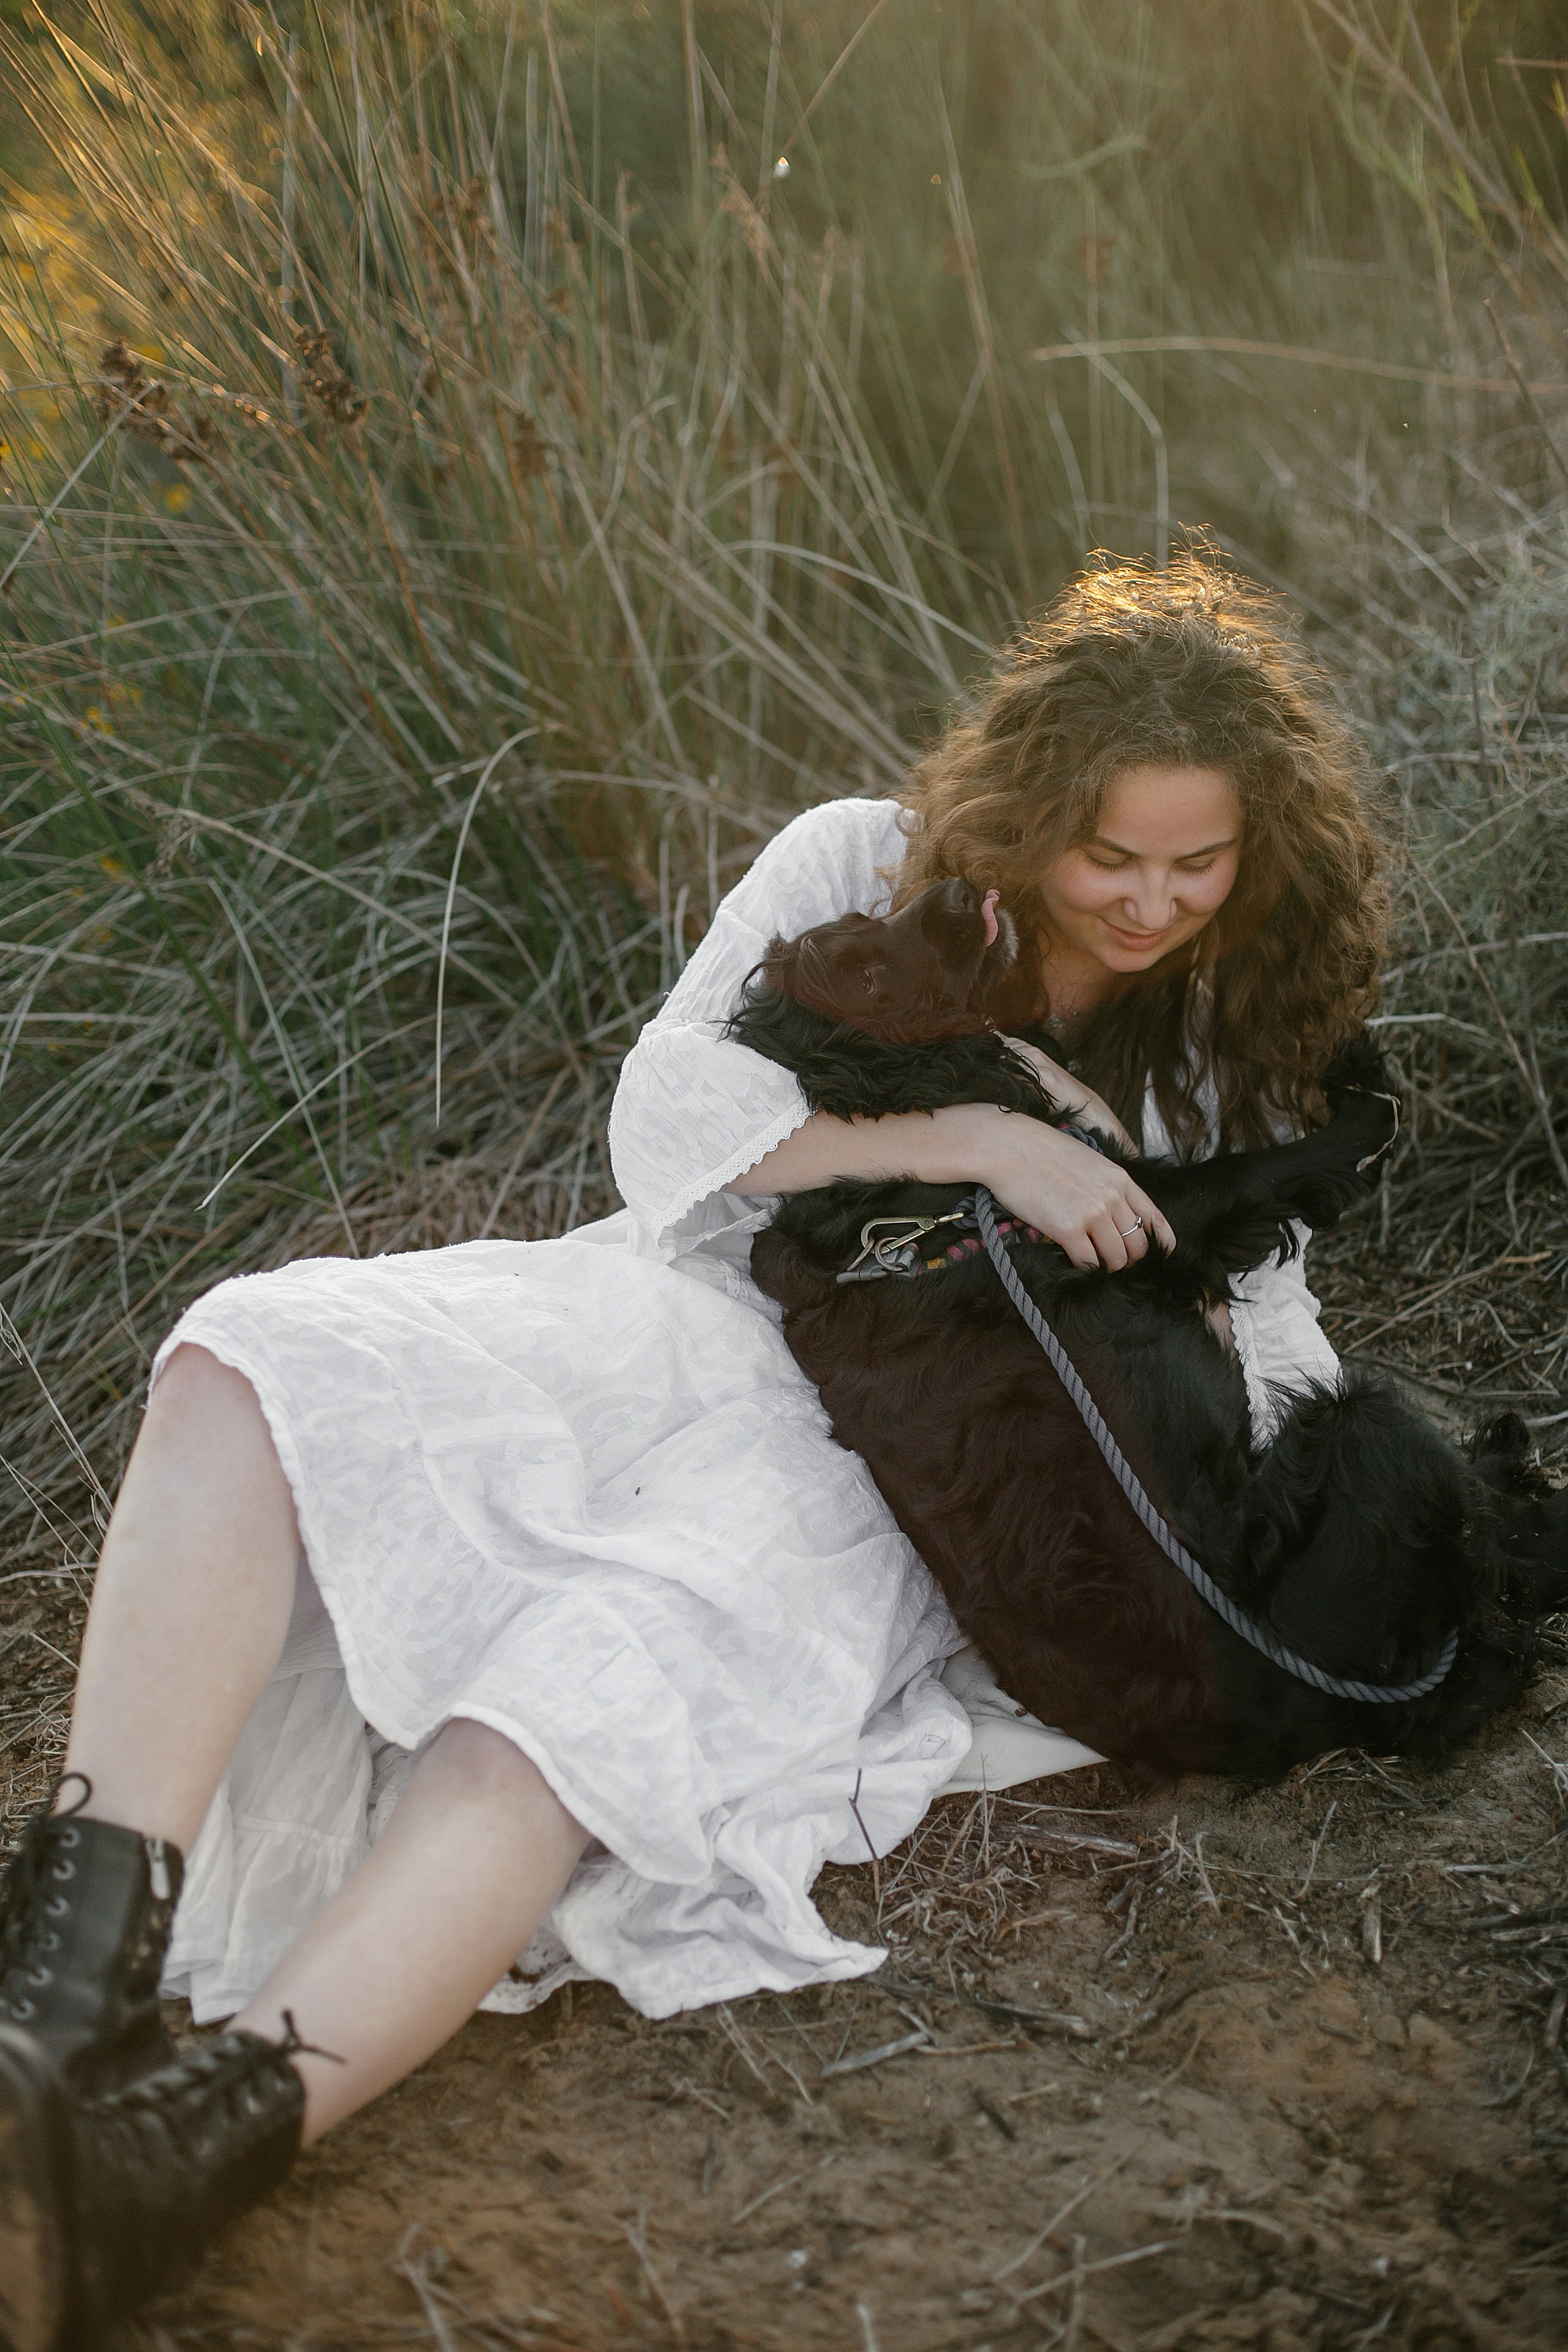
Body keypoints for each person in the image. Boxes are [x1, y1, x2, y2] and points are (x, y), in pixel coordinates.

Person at [0, 553, 1385, 2349]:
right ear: (1030, 808)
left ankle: (176, 2163)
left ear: (1256, 850)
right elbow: (666, 1116)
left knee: (572, 1713)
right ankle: (63, 1989)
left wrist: (1242, 1423)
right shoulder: (857, 865)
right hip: (683, 1309)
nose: (1148, 903)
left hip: (899, 1467)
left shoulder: (1227, 1045)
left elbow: (1273, 1326)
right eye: (1108, 857)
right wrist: (978, 1133)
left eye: (1198, 865)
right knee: (256, 1359)